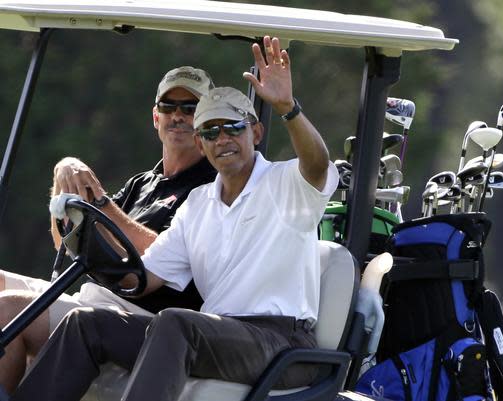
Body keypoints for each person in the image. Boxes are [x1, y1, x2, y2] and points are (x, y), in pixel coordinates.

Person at [11, 35, 339, 401]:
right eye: (211, 131)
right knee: (84, 324)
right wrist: (86, 242)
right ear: (200, 144)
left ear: (256, 132)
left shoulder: (285, 184)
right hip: (217, 337)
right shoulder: (197, 206)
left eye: (233, 126)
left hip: (280, 342)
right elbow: (140, 278)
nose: (223, 139)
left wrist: (287, 108)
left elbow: (317, 164)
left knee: (175, 323)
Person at [0, 66, 216, 394]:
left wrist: (99, 200)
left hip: (138, 320)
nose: (178, 116)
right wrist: (64, 184)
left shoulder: (210, 189)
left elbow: (161, 257)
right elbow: (68, 244)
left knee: (6, 309)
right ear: (156, 118)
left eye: (191, 108)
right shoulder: (142, 183)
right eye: (169, 108)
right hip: (96, 297)